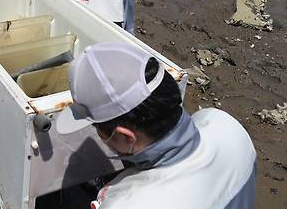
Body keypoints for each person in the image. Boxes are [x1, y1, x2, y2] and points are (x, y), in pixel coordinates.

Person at [57, 43, 256, 208]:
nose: (98, 134)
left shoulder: (127, 203)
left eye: (96, 128)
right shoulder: (226, 126)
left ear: (127, 137)